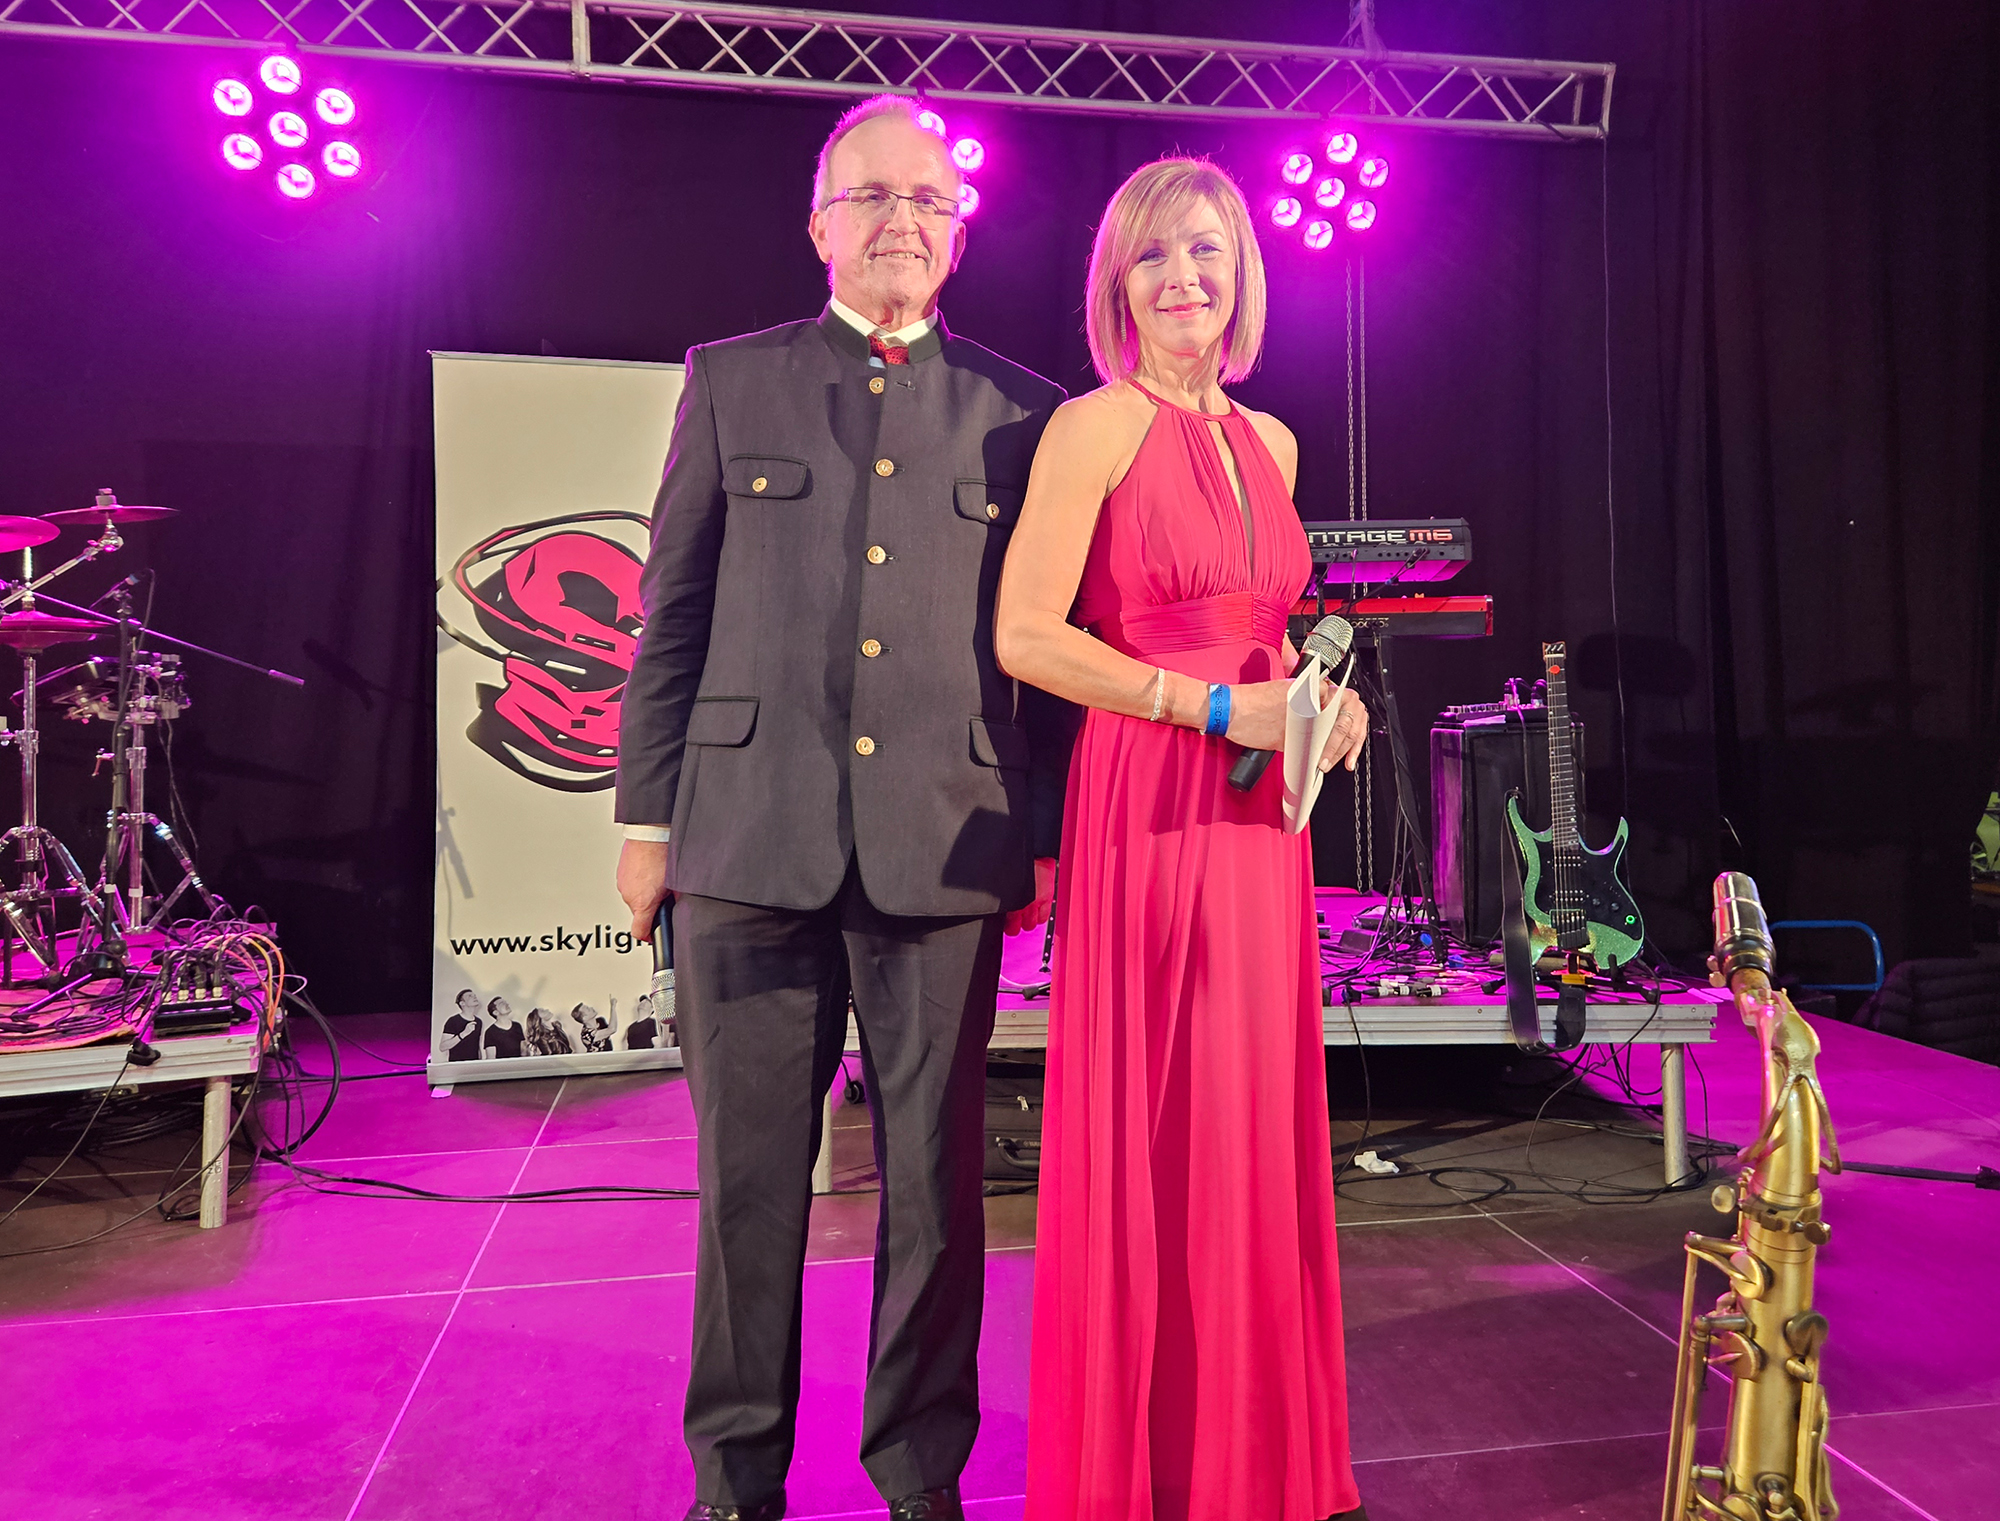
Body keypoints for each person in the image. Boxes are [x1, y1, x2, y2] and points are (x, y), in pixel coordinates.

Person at [614, 94, 1070, 1521]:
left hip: (947, 840)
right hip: (744, 839)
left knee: (935, 1189)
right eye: (871, 195)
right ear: (820, 224)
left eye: (928, 200)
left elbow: (1046, 647)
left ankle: (920, 1475)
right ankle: (733, 1480)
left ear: (958, 235)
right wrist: (646, 820)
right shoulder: (731, 380)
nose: (900, 221)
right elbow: (671, 614)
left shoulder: (1025, 412)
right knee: (747, 1189)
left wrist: (1043, 832)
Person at [993, 157, 1369, 1521]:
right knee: (1158, 1121)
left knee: (1246, 1123)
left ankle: (1250, 1465)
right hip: (1150, 796)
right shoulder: (1092, 426)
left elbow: (1272, 633)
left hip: (1262, 822)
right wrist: (1209, 704)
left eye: (1205, 250)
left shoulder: (1275, 442)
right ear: (1117, 286)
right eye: (1152, 256)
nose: (1182, 278)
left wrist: (1329, 709)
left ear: (1243, 274)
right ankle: (1146, 1473)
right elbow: (1024, 636)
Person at [441, 987, 483, 1062]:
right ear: (462, 1003)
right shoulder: (453, 1021)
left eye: (474, 996)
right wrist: (463, 1034)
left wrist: (480, 1061)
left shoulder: (479, 1021)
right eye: (470, 996)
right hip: (457, 1064)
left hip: (474, 1064)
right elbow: (442, 1047)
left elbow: (476, 1045)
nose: (474, 997)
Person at [481, 995, 526, 1060]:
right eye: (502, 1004)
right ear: (495, 1012)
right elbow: (491, 1059)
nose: (507, 1004)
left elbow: (523, 1052)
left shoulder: (517, 1026)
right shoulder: (490, 1032)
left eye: (505, 1002)